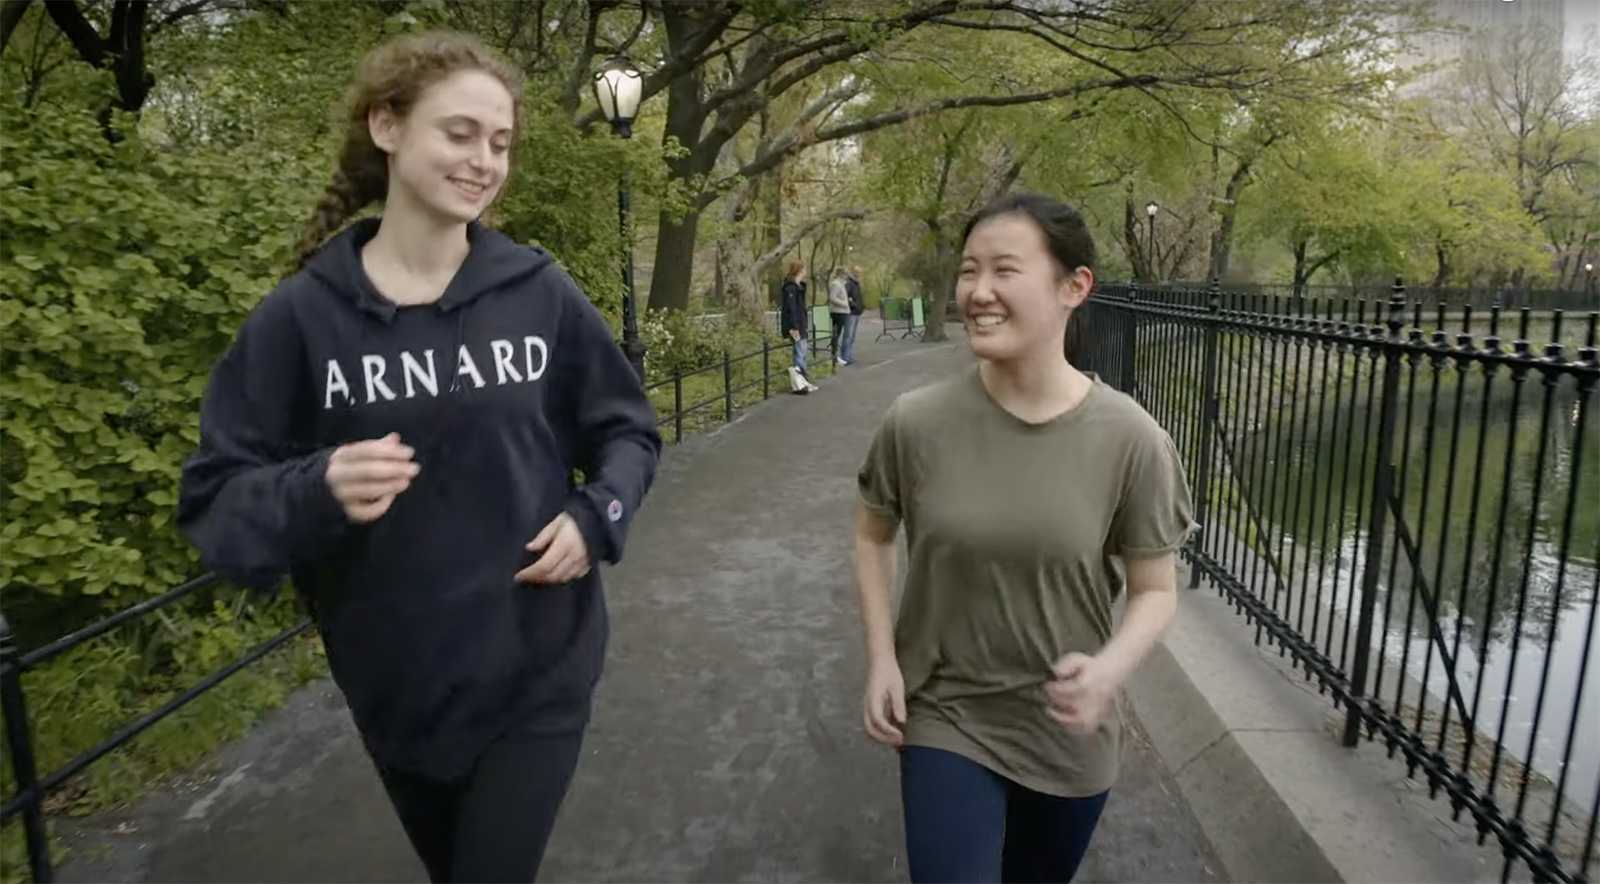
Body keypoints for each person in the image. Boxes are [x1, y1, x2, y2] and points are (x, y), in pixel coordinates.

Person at [175, 31, 661, 884]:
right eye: (460, 133)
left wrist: (597, 516)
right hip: (396, 684)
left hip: (535, 665)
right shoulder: (304, 318)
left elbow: (627, 431)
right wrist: (314, 486)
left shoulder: (535, 292)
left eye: (500, 143)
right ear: (387, 127)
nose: (484, 161)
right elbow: (216, 500)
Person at [852, 191, 1195, 883]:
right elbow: (872, 536)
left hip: (1066, 734)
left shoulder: (1132, 440)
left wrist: (1107, 672)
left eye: (1004, 270)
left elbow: (1156, 590)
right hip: (946, 712)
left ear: (1074, 287)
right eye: (969, 270)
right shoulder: (915, 422)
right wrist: (883, 659)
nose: (978, 292)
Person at [779, 259, 818, 393]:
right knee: (799, 353)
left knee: (802, 352)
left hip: (801, 323)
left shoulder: (798, 287)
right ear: (800, 270)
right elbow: (791, 309)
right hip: (796, 325)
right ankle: (800, 383)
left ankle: (803, 381)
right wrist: (794, 327)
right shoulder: (790, 288)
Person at [828, 267, 852, 366]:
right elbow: (832, 297)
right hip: (838, 312)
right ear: (840, 274)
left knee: (838, 333)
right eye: (845, 274)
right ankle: (834, 356)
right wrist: (844, 304)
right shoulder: (836, 284)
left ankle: (835, 356)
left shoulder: (842, 284)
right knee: (836, 333)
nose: (846, 276)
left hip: (843, 312)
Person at [842, 265, 865, 365]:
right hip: (850, 313)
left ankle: (849, 355)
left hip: (857, 313)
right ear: (853, 272)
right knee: (848, 335)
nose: (858, 274)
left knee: (852, 336)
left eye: (860, 273)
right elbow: (845, 297)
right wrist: (854, 305)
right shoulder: (849, 284)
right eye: (857, 272)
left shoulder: (857, 284)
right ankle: (845, 356)